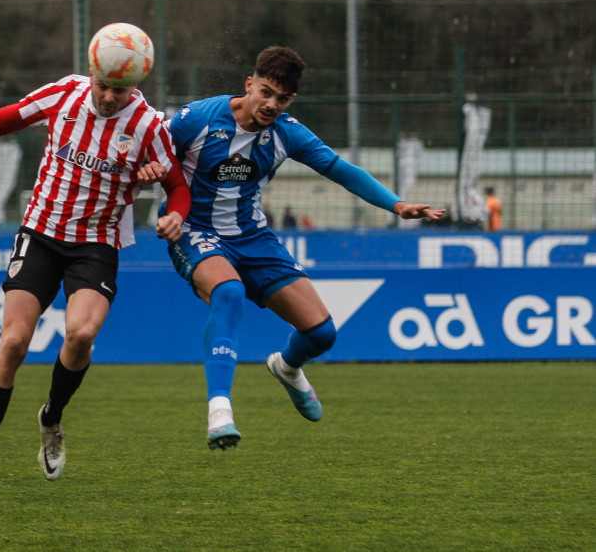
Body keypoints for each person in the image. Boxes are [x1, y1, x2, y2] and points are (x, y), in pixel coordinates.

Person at [0, 24, 190, 514]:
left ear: (136, 87)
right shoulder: (64, 94)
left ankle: (51, 419)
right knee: (14, 343)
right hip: (40, 234)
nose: (108, 97)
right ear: (90, 73)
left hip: (95, 245)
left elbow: (177, 184)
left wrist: (174, 213)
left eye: (119, 90)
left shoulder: (149, 126)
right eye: (102, 85)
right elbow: (2, 119)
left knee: (81, 335)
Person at [162, 46, 444, 450]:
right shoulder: (198, 118)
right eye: (266, 92)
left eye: (283, 98)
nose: (271, 104)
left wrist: (397, 204)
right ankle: (219, 411)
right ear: (249, 84)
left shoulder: (286, 132)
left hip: (254, 238)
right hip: (193, 230)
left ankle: (287, 367)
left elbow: (343, 171)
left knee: (322, 332)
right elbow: (152, 155)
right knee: (228, 292)